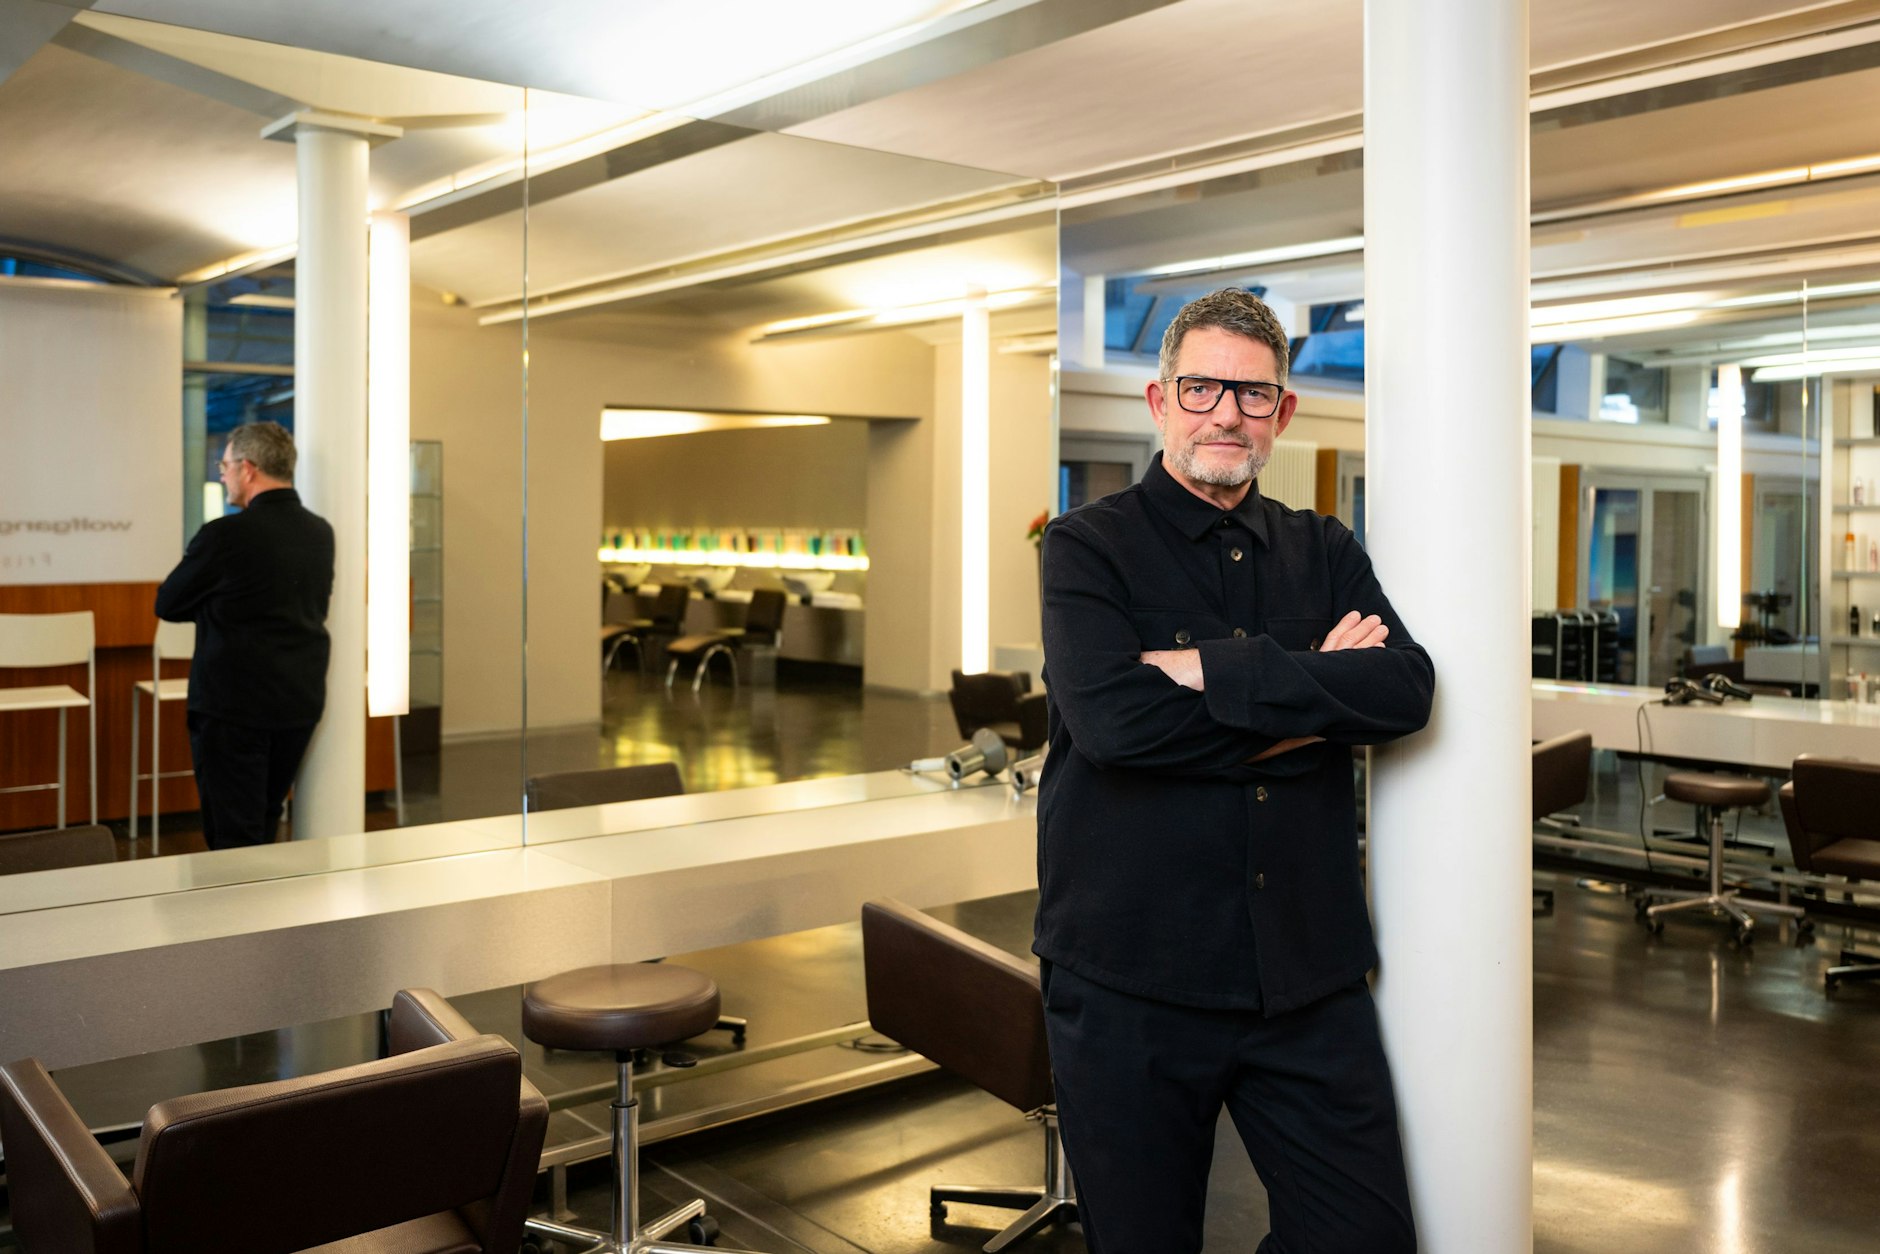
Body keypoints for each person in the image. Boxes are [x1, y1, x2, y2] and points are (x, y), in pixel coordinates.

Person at [1035, 288, 1434, 1253]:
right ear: (1160, 400)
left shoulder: (1323, 548)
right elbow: (1118, 727)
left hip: (1305, 975)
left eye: (1252, 395)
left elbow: (1405, 690)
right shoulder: (1087, 548)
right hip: (1132, 979)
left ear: (1283, 413)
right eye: (1203, 387)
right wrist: (1313, 694)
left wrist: (1209, 668)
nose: (1226, 413)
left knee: (1364, 1239)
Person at [155, 422, 334, 850]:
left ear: (248, 469)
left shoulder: (226, 535)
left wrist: (217, 604)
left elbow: (168, 603)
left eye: (225, 465)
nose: (222, 474)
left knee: (232, 833)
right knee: (267, 817)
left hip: (233, 706)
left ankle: (234, 917)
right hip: (298, 700)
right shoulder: (319, 532)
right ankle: (265, 913)